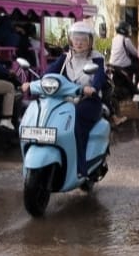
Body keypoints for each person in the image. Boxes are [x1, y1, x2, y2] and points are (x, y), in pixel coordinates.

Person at [27, 22, 107, 180]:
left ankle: (80, 167)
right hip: (67, 98)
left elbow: (100, 77)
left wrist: (93, 88)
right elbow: (49, 73)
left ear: (90, 41)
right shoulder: (66, 57)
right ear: (71, 40)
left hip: (89, 101)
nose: (79, 43)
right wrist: (33, 84)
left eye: (83, 40)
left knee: (76, 121)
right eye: (76, 39)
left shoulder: (96, 58)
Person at [107, 21, 139, 122]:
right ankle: (137, 87)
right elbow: (135, 53)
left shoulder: (114, 39)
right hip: (123, 65)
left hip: (113, 65)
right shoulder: (126, 40)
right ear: (124, 30)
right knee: (138, 68)